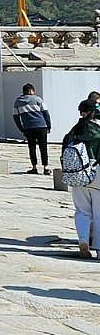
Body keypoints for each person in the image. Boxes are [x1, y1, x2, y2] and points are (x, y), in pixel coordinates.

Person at [63, 99, 100, 259]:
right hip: (97, 173)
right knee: (99, 214)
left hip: (78, 174)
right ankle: (99, 250)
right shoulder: (98, 129)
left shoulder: (75, 130)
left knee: (82, 211)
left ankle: (83, 239)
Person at [13, 83, 52, 175]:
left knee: (32, 148)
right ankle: (45, 167)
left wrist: (22, 129)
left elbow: (16, 117)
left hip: (29, 128)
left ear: (23, 92)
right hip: (41, 126)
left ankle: (34, 167)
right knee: (43, 147)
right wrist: (48, 125)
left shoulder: (18, 102)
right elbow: (46, 113)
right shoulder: (38, 100)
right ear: (33, 91)